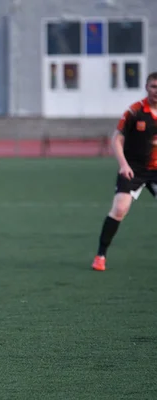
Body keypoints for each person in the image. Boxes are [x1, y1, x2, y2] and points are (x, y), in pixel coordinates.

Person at [92, 71, 157, 271]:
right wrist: (123, 164)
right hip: (134, 169)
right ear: (146, 88)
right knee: (120, 209)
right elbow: (117, 138)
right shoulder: (135, 111)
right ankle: (100, 255)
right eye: (154, 86)